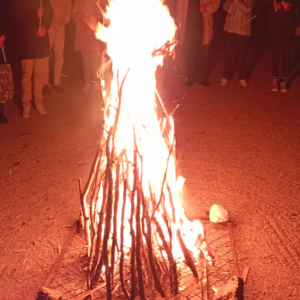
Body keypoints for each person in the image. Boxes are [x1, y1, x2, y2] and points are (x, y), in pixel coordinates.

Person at [11, 0, 53, 118]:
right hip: (26, 44)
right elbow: (16, 18)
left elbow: (50, 14)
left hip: (40, 43)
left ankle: (39, 102)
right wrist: (34, 15)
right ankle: (26, 104)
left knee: (39, 75)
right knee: (26, 77)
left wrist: (45, 27)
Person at [176, 0, 220, 86]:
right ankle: (191, 78)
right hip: (189, 29)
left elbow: (216, 3)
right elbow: (180, 8)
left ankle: (202, 79)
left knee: (203, 55)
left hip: (203, 28)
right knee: (189, 54)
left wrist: (207, 8)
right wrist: (179, 25)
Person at [266, 0, 300, 92]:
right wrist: (279, 3)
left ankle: (284, 80)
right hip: (274, 21)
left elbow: (297, 2)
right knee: (275, 50)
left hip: (289, 21)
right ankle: (275, 78)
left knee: (286, 50)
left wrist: (289, 5)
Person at [72, 0, 105, 92]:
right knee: (85, 58)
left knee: (95, 58)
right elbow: (74, 12)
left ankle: (96, 80)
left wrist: (92, 18)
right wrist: (80, 18)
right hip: (82, 30)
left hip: (93, 29)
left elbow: (103, 12)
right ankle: (87, 81)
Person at [221, 0, 255, 87]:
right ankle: (225, 76)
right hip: (229, 28)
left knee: (241, 54)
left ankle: (242, 77)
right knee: (228, 53)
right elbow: (225, 7)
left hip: (242, 29)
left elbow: (247, 10)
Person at [43, 0, 73, 95]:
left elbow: (68, 6)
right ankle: (45, 84)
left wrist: (64, 21)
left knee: (59, 55)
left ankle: (57, 83)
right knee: (45, 56)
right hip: (49, 27)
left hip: (60, 26)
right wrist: (46, 23)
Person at [0, 0, 14, 124]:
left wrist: (3, 36)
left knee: (2, 84)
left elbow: (8, 22)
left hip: (2, 50)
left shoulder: (3, 5)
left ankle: (1, 112)